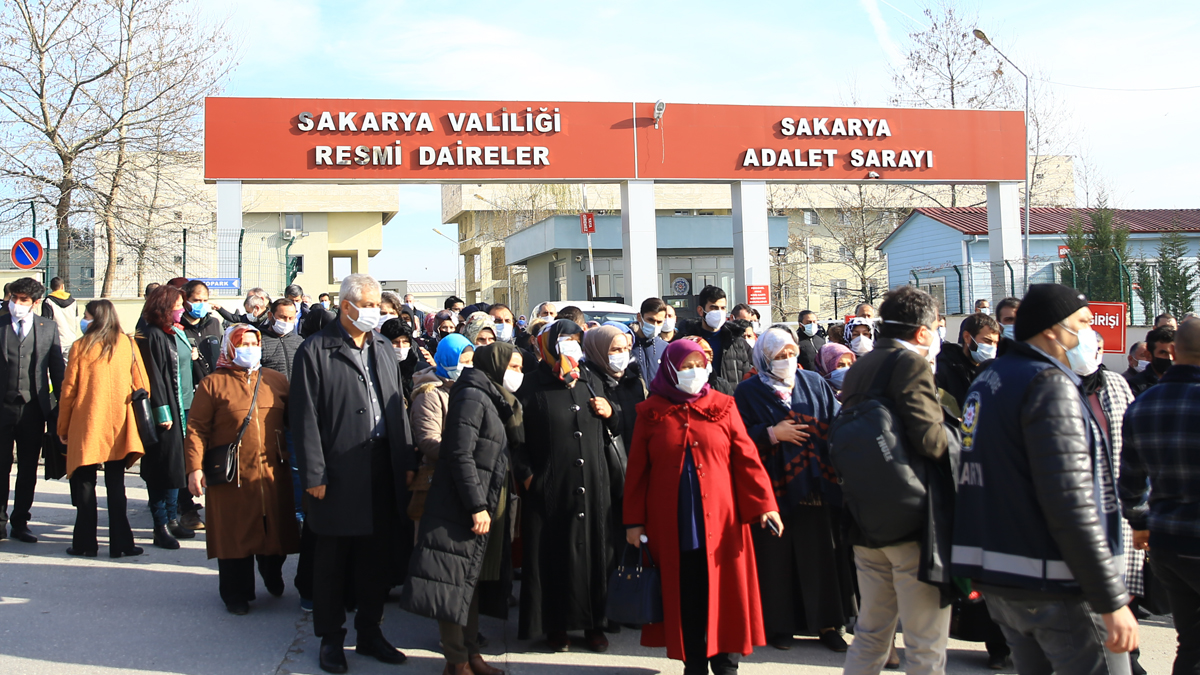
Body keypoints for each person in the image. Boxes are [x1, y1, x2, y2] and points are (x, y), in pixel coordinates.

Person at [952, 283, 1137, 675]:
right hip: (1056, 580)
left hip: (1002, 576)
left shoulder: (989, 380)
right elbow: (1070, 500)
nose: (1090, 332)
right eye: (1083, 323)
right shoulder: (1049, 384)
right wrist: (1110, 598)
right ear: (1053, 330)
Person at [624, 339, 782, 675]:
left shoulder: (724, 405)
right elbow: (637, 471)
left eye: (699, 364)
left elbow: (746, 460)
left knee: (725, 593)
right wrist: (634, 522)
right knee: (687, 594)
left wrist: (766, 505)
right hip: (673, 525)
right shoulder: (650, 412)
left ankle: (726, 663)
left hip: (723, 524)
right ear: (670, 369)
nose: (694, 372)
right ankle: (693, 662)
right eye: (686, 366)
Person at [291, 273, 412, 672]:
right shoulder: (316, 350)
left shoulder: (381, 346)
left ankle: (370, 632)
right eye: (369, 304)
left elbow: (398, 406)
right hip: (337, 470)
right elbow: (304, 418)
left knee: (375, 557)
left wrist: (406, 461)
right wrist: (314, 474)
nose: (375, 312)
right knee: (333, 560)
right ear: (347, 306)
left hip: (382, 464)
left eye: (379, 305)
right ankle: (330, 638)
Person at [839, 285, 955, 675]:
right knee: (925, 643)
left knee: (871, 633)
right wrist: (963, 443)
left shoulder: (861, 366)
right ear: (922, 332)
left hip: (866, 517)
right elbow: (928, 437)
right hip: (912, 521)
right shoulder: (910, 364)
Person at [401, 342, 521, 675]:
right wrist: (476, 505)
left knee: (468, 581)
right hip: (460, 502)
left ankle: (471, 654)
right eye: (513, 367)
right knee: (451, 583)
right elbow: (459, 454)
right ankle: (456, 661)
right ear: (495, 366)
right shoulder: (472, 396)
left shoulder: (489, 395)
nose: (517, 374)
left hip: (477, 498)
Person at [734, 328, 855, 653]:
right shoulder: (747, 391)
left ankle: (828, 624)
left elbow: (835, 421)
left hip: (816, 483)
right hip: (774, 486)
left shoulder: (814, 382)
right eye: (778, 356)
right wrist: (772, 433)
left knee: (822, 557)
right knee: (777, 559)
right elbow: (739, 436)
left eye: (791, 354)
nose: (787, 361)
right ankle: (780, 625)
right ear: (763, 358)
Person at [514, 319, 619, 653]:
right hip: (550, 487)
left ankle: (594, 625)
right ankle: (554, 626)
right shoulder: (530, 385)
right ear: (548, 344)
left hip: (592, 483)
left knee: (594, 555)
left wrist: (610, 411)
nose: (571, 345)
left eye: (577, 339)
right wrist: (529, 475)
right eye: (565, 339)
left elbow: (616, 425)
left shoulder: (591, 380)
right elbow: (515, 439)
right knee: (553, 555)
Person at [185, 325, 300, 615]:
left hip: (272, 469)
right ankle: (236, 593)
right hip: (231, 473)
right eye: (244, 343)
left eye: (254, 343)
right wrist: (193, 468)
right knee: (234, 534)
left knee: (275, 527)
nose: (250, 348)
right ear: (230, 348)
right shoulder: (213, 384)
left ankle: (271, 569)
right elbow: (197, 429)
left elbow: (296, 421)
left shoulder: (275, 381)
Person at [1121, 317, 1200, 675]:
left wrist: (1140, 523)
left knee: (1191, 640)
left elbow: (1130, 483)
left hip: (1167, 542)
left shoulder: (1142, 405)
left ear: (1175, 351)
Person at [57, 300, 144, 558]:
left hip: (87, 423)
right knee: (117, 486)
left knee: (85, 485)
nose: (83, 320)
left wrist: (63, 425)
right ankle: (121, 544)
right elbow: (142, 385)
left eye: (85, 315)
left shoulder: (80, 347)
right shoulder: (128, 344)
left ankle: (85, 543)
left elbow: (69, 391)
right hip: (119, 424)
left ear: (95, 318)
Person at [0, 277, 64, 543]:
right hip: (2, 408)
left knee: (28, 468)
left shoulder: (47, 328)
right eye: (13, 298)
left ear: (36, 302)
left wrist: (63, 410)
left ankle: (20, 521)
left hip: (33, 410)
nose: (16, 304)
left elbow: (57, 370)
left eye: (22, 299)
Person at [136, 284, 195, 549]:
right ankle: (160, 525)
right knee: (162, 467)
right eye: (177, 306)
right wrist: (162, 410)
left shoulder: (175, 332)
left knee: (177, 467)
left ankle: (173, 518)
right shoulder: (150, 335)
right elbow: (155, 378)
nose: (182, 310)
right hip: (167, 410)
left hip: (184, 405)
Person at [682, 286, 754, 386]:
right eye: (714, 308)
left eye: (723, 308)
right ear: (700, 310)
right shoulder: (687, 342)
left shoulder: (736, 342)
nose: (719, 312)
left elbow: (750, 374)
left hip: (730, 399)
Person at [935, 312, 1001, 412]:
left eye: (995, 343)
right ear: (967, 337)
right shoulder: (944, 368)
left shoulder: (993, 372)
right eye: (987, 341)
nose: (992, 347)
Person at [260, 298, 302, 381]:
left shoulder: (299, 342)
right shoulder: (259, 341)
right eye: (282, 317)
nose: (286, 321)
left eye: (291, 318)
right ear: (270, 316)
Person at [379, 318, 420, 400]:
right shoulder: (377, 366)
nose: (401, 347)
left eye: (405, 342)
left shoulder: (419, 368)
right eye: (395, 342)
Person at [631, 297, 670, 382]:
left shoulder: (666, 348)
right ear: (639, 317)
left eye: (659, 322)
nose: (654, 325)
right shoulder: (627, 346)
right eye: (650, 320)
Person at [1127, 325, 1174, 395]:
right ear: (1149, 355)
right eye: (1163, 353)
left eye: (1174, 352)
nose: (1170, 358)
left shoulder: (1186, 383)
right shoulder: (1135, 387)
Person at [40, 276, 78, 356]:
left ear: (51, 287)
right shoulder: (73, 301)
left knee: (57, 366)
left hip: (56, 341)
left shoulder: (48, 301)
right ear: (62, 286)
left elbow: (46, 321)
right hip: (71, 339)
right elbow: (76, 320)